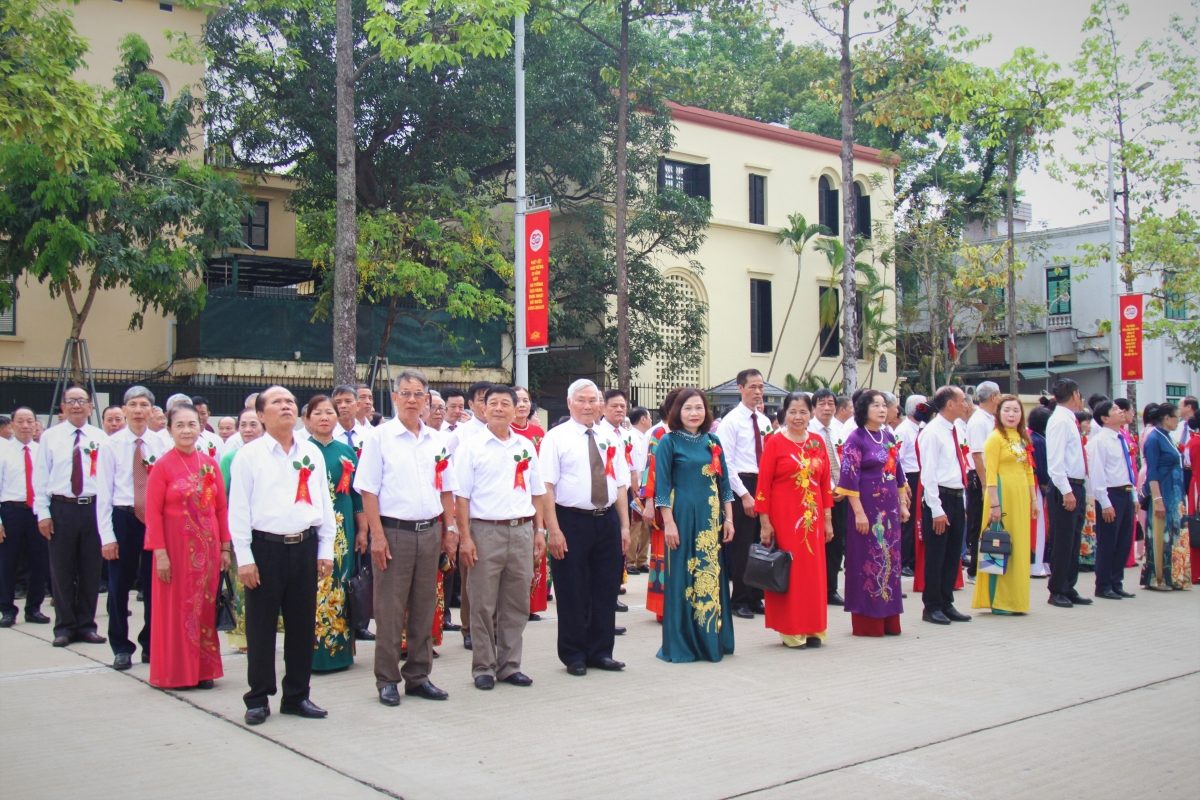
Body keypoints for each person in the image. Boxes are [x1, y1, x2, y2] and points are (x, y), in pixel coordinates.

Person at [227, 386, 336, 725]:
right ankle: (258, 698)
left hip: (304, 546)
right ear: (261, 415)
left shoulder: (311, 453)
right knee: (261, 628)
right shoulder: (250, 455)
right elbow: (238, 510)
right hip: (265, 549)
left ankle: (296, 696)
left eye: (290, 401)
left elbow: (324, 503)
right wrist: (244, 557)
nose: (286, 406)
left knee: (302, 626)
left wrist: (326, 549)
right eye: (277, 402)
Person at [355, 370, 457, 707]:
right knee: (389, 609)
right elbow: (368, 491)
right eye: (405, 393)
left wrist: (450, 530)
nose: (412, 400)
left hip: (429, 532)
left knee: (425, 608)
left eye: (419, 394)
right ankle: (387, 679)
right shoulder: (379, 438)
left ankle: (419, 676)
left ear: (427, 399)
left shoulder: (437, 440)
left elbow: (445, 489)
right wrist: (377, 538)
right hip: (394, 533)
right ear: (395, 397)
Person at [454, 385, 547, 689]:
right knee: (482, 602)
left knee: (516, 602)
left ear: (515, 408)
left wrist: (539, 531)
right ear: (483, 408)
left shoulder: (526, 446)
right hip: (485, 531)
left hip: (521, 531)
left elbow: (537, 493)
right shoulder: (471, 446)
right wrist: (465, 538)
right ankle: (483, 666)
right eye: (492, 403)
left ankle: (509, 665)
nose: (498, 408)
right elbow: (462, 498)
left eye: (505, 403)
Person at [541, 379, 631, 675]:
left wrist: (624, 528)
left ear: (601, 404)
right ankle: (574, 654)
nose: (588, 406)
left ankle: (601, 651)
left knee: (605, 589)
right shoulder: (556, 437)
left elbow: (619, 485)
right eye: (581, 400)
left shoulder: (610, 438)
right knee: (572, 590)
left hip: (606, 520)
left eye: (593, 400)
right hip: (571, 521)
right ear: (569, 403)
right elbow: (547, 487)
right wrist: (553, 530)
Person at [143, 402, 231, 689]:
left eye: (191, 424)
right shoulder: (162, 466)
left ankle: (203, 671)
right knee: (178, 610)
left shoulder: (210, 464)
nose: (186, 430)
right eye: (179, 425)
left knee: (203, 607)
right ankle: (178, 672)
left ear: (200, 428)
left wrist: (225, 548)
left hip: (208, 551)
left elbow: (221, 509)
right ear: (169, 430)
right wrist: (160, 553)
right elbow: (152, 513)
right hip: (176, 551)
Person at [654, 388, 735, 662]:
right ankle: (684, 643)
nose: (694, 413)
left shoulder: (712, 441)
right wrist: (669, 523)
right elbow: (662, 487)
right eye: (688, 408)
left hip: (711, 520)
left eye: (699, 408)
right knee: (682, 576)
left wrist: (730, 518)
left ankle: (710, 639)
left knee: (711, 574)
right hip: (683, 518)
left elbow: (723, 485)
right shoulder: (669, 442)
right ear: (678, 411)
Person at [32, 386, 109, 647]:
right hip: (61, 508)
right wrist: (43, 513)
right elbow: (40, 478)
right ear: (63, 407)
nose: (77, 405)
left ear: (90, 407)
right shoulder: (50, 438)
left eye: (82, 401)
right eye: (71, 401)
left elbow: (107, 479)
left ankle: (87, 625)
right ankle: (64, 627)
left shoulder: (100, 437)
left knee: (91, 570)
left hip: (93, 508)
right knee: (62, 570)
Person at [96, 386, 166, 670]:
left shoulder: (162, 444)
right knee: (119, 586)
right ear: (124, 410)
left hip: (153, 518)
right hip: (123, 517)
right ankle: (121, 647)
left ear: (152, 411)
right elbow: (103, 493)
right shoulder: (110, 445)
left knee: (154, 586)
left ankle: (151, 644)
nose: (139, 410)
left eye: (144, 405)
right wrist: (107, 537)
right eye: (133, 405)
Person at [756, 392, 832, 648]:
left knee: (814, 573)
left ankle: (814, 628)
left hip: (814, 518)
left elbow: (824, 485)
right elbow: (763, 485)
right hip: (785, 518)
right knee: (791, 571)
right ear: (784, 414)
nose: (798, 417)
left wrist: (828, 519)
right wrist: (765, 523)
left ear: (810, 414)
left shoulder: (818, 442)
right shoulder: (775, 443)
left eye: (803, 412)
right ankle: (791, 629)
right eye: (792, 412)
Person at [837, 390, 909, 636]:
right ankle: (869, 621)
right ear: (863, 409)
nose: (882, 409)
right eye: (875, 405)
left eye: (883, 405)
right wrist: (858, 513)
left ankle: (889, 617)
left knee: (891, 561)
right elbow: (849, 479)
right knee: (867, 561)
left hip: (889, 513)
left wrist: (902, 503)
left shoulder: (888, 436)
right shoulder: (855, 439)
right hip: (866, 511)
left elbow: (898, 473)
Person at [303, 395, 367, 672]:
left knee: (342, 583)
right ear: (307, 420)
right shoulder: (302, 452)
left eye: (329, 412)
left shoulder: (347, 451)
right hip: (312, 528)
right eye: (317, 413)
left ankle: (340, 652)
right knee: (313, 588)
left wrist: (363, 529)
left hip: (345, 527)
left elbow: (357, 495)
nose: (325, 417)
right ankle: (311, 653)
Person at [969, 395, 1036, 614]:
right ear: (999, 414)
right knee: (1000, 545)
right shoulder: (994, 438)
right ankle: (998, 600)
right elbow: (991, 474)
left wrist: (1033, 499)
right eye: (1006, 410)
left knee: (1018, 548)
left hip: (1020, 499)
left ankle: (1016, 599)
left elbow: (1028, 471)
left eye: (1015, 411)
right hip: (1001, 496)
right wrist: (995, 505)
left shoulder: (1023, 438)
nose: (1011, 415)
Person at [713, 370, 772, 620]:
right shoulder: (731, 421)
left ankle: (756, 595)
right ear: (740, 388)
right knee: (743, 546)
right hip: (742, 485)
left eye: (760, 387)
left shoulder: (765, 421)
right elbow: (727, 463)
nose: (757, 392)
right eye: (752, 387)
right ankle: (739, 599)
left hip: (764, 483)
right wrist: (745, 495)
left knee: (763, 543)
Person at [917, 386, 972, 625]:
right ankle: (932, 605)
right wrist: (936, 508)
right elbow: (928, 474)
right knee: (937, 554)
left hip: (957, 496)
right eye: (962, 401)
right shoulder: (932, 432)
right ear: (950, 404)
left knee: (952, 554)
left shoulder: (957, 429)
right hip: (939, 498)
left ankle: (946, 601)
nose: (966, 405)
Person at [219, 407, 266, 652]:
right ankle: (243, 637)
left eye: (253, 425)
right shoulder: (230, 458)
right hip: (241, 531)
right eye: (243, 425)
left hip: (268, 532)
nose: (247, 430)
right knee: (241, 585)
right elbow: (225, 499)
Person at [1045, 379, 1094, 608]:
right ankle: (1057, 589)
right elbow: (1055, 463)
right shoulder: (1059, 421)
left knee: (1074, 539)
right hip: (1065, 486)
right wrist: (1066, 491)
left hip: (1076, 485)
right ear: (1074, 394)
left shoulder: (1069, 419)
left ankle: (1068, 585)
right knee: (1063, 541)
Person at [0, 408, 50, 628]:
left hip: (37, 512)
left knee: (38, 561)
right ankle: (7, 610)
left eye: (30, 421)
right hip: (11, 510)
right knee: (7, 563)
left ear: (35, 425)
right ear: (11, 425)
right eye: (20, 421)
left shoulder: (42, 451)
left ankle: (34, 608)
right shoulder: (3, 451)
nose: (25, 425)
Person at [1087, 401, 1137, 600]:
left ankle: (1117, 582)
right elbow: (1097, 473)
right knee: (1108, 541)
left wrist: (1132, 495)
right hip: (1111, 494)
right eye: (1115, 410)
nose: (1121, 412)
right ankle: (1103, 584)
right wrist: (1105, 502)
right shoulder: (1100, 441)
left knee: (1124, 541)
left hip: (1125, 491)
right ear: (1105, 418)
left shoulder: (1121, 439)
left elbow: (1127, 469)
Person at [641, 389, 682, 622]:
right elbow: (651, 468)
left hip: (687, 501)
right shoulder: (660, 432)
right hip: (664, 502)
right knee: (663, 553)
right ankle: (664, 608)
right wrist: (649, 503)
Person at [1142, 403, 1191, 590]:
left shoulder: (1167, 437)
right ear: (1167, 418)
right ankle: (1158, 577)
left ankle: (1176, 575)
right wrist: (1157, 499)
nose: (1179, 421)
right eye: (1177, 417)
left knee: (1175, 533)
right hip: (1163, 493)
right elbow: (1152, 471)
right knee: (1162, 533)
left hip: (1175, 495)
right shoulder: (1154, 439)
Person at [808, 388, 846, 606]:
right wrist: (831, 488)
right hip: (817, 495)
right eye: (821, 404)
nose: (827, 408)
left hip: (840, 494)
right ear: (814, 408)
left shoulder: (839, 430)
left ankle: (831, 589)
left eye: (830, 403)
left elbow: (844, 461)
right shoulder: (810, 431)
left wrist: (842, 487)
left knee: (835, 543)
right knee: (816, 542)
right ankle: (816, 588)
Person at [964, 382, 1000, 579]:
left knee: (990, 520)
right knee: (979, 522)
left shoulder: (991, 419)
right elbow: (977, 455)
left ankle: (990, 563)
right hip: (981, 476)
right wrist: (986, 483)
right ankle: (975, 569)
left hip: (991, 475)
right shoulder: (979, 420)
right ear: (993, 397)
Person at [895, 395, 925, 577]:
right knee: (908, 522)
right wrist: (904, 483)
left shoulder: (920, 429)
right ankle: (904, 561)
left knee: (916, 522)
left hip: (919, 476)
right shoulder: (904, 430)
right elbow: (898, 459)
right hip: (909, 478)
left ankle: (913, 560)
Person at [625, 407, 653, 573]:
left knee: (646, 525)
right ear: (643, 419)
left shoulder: (647, 437)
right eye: (649, 417)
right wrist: (634, 489)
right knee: (635, 524)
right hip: (635, 487)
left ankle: (642, 560)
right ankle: (630, 561)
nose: (650, 420)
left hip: (646, 484)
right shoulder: (630, 437)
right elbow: (632, 467)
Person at [1027, 404, 1052, 577]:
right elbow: (1042, 469)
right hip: (1036, 487)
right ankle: (1037, 566)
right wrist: (1046, 488)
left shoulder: (1029, 436)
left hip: (1030, 485)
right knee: (1040, 527)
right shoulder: (1038, 440)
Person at [331, 384, 374, 457]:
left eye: (348, 401)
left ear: (358, 405)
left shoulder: (369, 435)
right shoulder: (329, 436)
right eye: (338, 402)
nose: (343, 406)